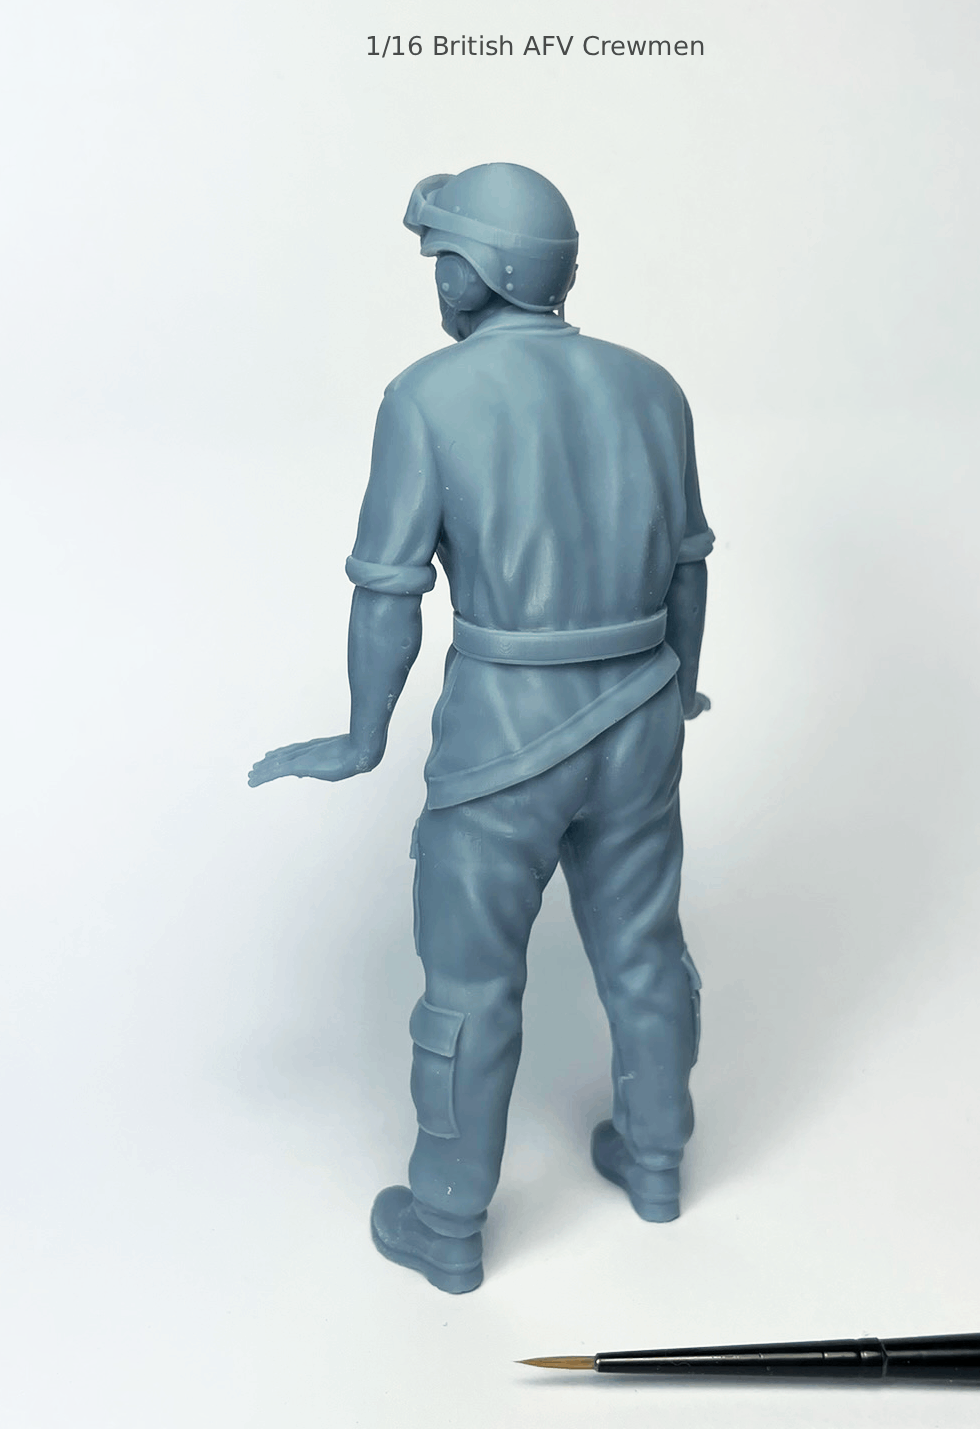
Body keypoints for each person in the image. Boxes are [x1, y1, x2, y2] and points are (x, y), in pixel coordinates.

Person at [250, 163, 714, 1294]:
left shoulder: (426, 397)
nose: (436, 280)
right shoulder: (654, 389)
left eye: (442, 258)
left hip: (505, 734)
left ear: (478, 271)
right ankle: (656, 1160)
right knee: (645, 948)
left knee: (469, 984)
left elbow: (388, 589)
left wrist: (363, 733)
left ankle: (447, 1218)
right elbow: (689, 567)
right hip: (641, 712)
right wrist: (683, 689)